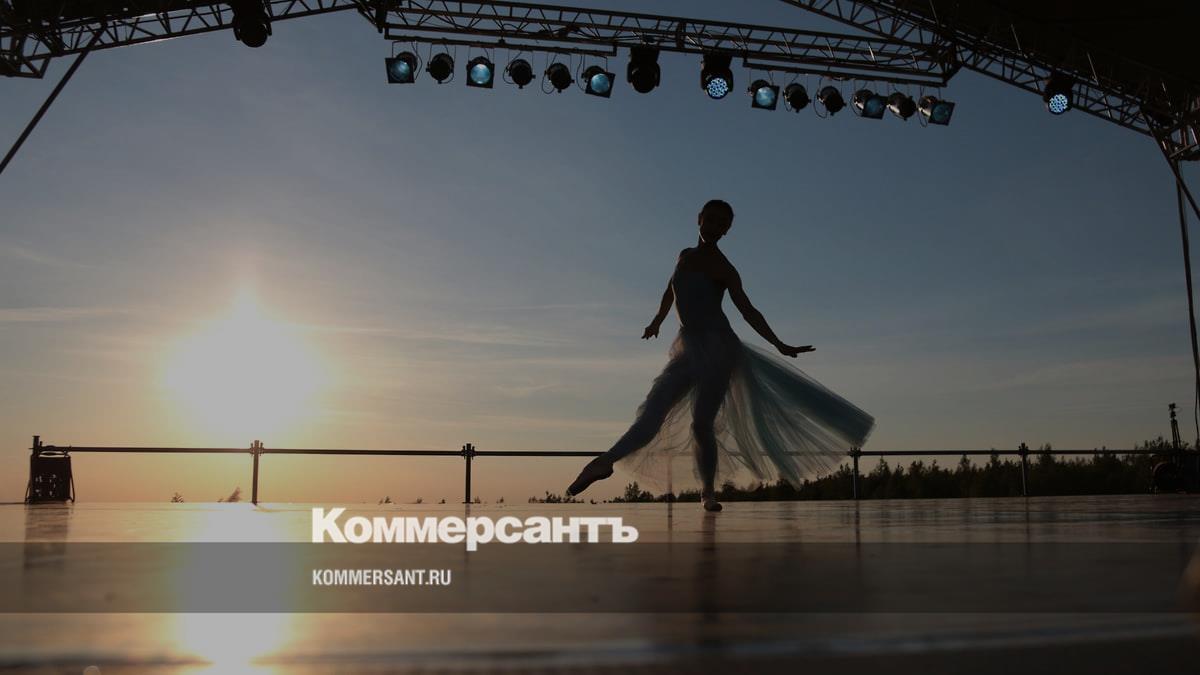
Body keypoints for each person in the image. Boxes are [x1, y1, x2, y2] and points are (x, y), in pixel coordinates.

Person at [565, 199, 875, 511]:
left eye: (722, 224)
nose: (715, 227)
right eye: (711, 220)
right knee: (652, 412)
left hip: (719, 349)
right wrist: (656, 321)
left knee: (701, 424)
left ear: (726, 231)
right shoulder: (684, 256)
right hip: (688, 348)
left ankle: (708, 492)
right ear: (699, 219)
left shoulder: (724, 268)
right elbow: (671, 290)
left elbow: (748, 310)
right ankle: (603, 462)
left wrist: (779, 343)